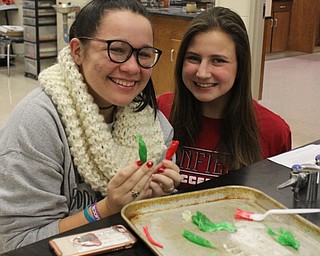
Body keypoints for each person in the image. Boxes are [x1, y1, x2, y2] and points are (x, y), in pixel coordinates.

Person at [0, 0, 181, 253]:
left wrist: (157, 197)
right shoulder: (38, 124)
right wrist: (105, 209)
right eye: (117, 49)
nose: (132, 67)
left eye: (144, 54)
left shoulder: (153, 127)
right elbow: (18, 243)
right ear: (77, 51)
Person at [157, 7, 291, 191]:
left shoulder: (274, 131)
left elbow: (277, 202)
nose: (202, 73)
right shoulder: (161, 111)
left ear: (240, 67)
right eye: (193, 58)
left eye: (218, 60)